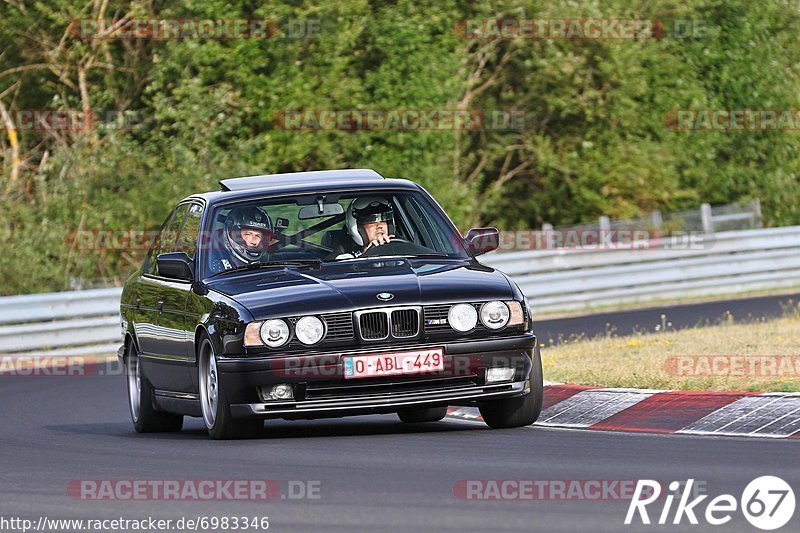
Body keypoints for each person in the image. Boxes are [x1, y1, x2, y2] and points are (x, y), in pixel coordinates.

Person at [208, 206, 273, 273]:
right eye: (248, 234)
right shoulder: (215, 268)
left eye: (258, 236)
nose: (254, 241)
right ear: (232, 234)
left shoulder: (270, 264)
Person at [328, 197, 397, 260]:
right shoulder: (347, 259)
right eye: (371, 221)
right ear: (358, 227)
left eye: (383, 220)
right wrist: (368, 254)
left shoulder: (401, 251)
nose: (379, 226)